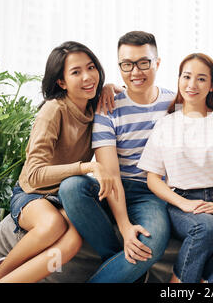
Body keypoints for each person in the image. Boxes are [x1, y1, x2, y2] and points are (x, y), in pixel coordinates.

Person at [0, 41, 114, 283]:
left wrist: (111, 88)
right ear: (61, 82)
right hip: (33, 193)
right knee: (51, 225)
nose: (87, 77)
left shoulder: (95, 104)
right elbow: (33, 175)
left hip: (63, 196)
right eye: (76, 72)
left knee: (73, 241)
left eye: (91, 67)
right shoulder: (53, 110)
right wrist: (87, 167)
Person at [58, 31, 173, 282]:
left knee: (149, 245)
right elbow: (110, 173)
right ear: (119, 65)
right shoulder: (108, 106)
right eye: (127, 64)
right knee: (71, 187)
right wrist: (124, 226)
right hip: (112, 185)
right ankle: (122, 265)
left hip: (150, 194)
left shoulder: (174, 104)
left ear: (158, 62)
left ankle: (123, 270)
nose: (135, 72)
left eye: (144, 62)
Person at [137, 53, 213, 283]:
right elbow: (153, 178)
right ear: (179, 79)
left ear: (212, 85)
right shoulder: (166, 124)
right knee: (207, 227)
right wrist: (184, 204)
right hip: (181, 200)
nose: (192, 85)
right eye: (186, 77)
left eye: (201, 79)